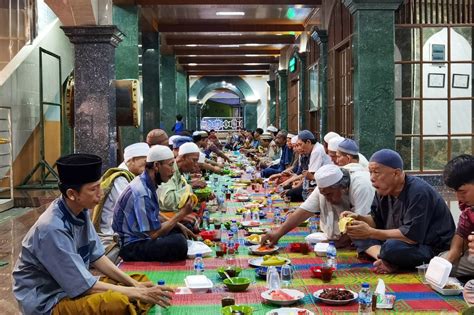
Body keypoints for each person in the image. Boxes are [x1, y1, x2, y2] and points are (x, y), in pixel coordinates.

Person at [13, 154, 173, 315]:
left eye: (99, 186)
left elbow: (96, 256)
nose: (100, 193)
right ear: (72, 194)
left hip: (71, 287)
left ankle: (137, 301)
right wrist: (136, 293)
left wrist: (134, 285)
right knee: (117, 303)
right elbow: (83, 285)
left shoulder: (79, 210)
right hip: (48, 301)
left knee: (141, 281)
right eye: (93, 189)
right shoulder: (51, 229)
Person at [343, 149, 455, 273]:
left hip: (428, 248)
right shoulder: (382, 191)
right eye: (370, 172)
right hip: (396, 241)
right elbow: (376, 221)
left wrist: (370, 232)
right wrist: (358, 218)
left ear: (396, 173)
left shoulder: (418, 192)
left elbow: (411, 237)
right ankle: (385, 260)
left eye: (376, 172)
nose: (372, 178)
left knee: (391, 247)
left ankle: (388, 258)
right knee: (356, 232)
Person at [262, 164, 374, 249]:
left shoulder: (361, 186)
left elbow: (361, 222)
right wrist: (278, 233)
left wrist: (335, 244)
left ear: (343, 188)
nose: (327, 199)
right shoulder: (326, 187)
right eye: (324, 194)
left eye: (329, 194)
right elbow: (304, 211)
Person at [113, 145, 193, 262]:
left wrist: (178, 224)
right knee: (179, 243)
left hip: (142, 235)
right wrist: (181, 215)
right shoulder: (142, 191)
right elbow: (154, 234)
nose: (173, 170)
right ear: (156, 166)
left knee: (181, 228)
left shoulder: (148, 182)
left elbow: (153, 214)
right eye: (170, 165)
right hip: (130, 245)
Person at [92, 142, 149, 248]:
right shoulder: (120, 178)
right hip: (113, 234)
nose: (147, 166)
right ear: (131, 160)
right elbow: (134, 208)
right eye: (145, 162)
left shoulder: (134, 176)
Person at [441, 154, 474, 277]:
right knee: (442, 260)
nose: (459, 198)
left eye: (463, 192)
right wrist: (453, 253)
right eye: (457, 192)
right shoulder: (468, 208)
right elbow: (461, 233)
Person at [158, 142, 203, 217]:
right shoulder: (169, 171)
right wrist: (191, 190)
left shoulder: (180, 173)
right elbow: (168, 201)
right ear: (183, 157)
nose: (196, 164)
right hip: (166, 215)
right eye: (194, 160)